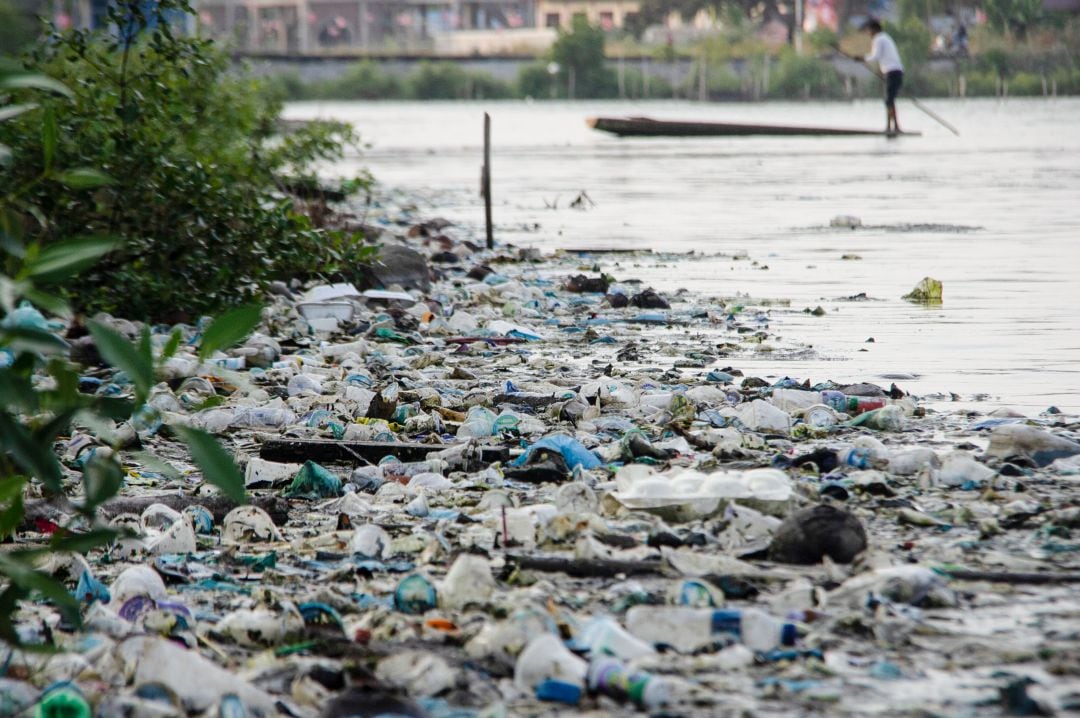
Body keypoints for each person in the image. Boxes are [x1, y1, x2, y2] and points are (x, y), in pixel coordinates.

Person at [864, 18, 904, 134]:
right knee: (890, 100)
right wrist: (881, 71)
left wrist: (862, 58)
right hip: (895, 71)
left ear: (874, 30)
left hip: (892, 72)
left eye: (869, 30)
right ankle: (894, 127)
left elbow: (875, 56)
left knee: (888, 100)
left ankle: (891, 127)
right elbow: (885, 57)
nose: (868, 33)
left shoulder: (879, 39)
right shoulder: (885, 38)